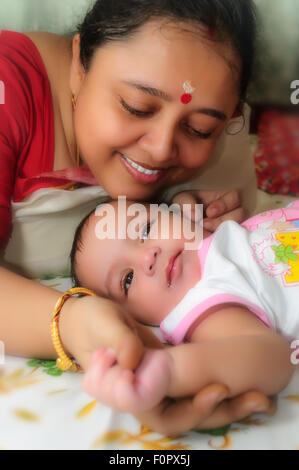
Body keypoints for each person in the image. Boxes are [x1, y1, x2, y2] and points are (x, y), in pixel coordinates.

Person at [0, 0, 275, 435]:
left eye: (199, 130)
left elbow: (241, 198)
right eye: (135, 106)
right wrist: (75, 323)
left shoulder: (212, 120)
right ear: (78, 64)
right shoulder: (8, 88)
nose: (163, 148)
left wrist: (179, 210)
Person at [71, 198, 298, 432]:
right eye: (128, 279)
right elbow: (270, 354)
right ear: (135, 318)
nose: (148, 257)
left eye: (146, 229)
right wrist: (170, 372)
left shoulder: (228, 236)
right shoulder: (204, 304)